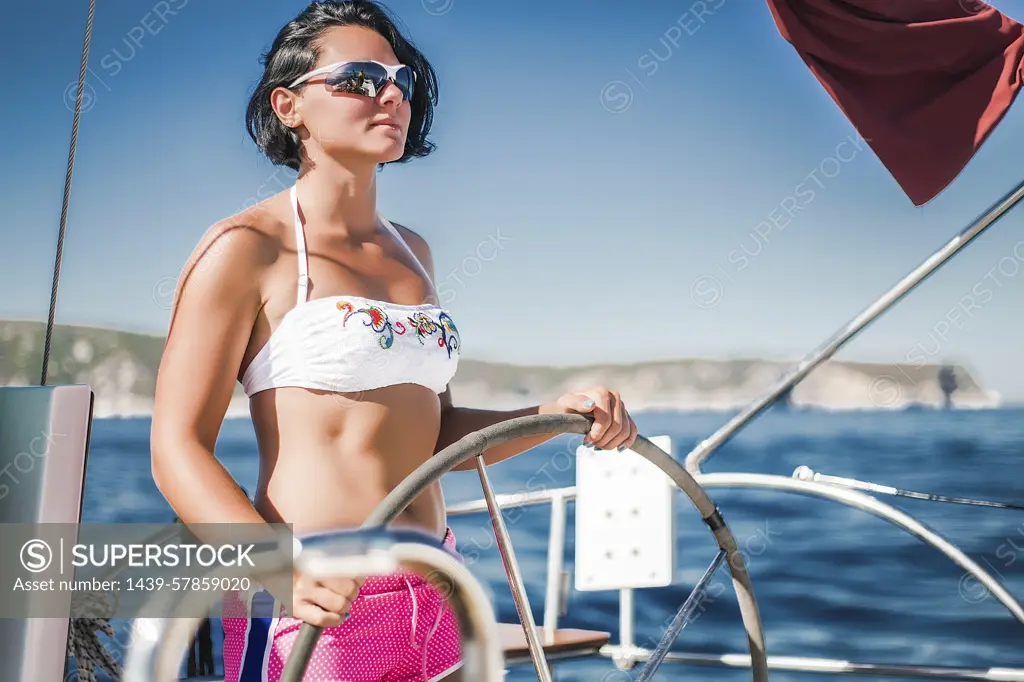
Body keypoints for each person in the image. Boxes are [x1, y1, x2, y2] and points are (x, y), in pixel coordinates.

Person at [150, 2, 638, 680]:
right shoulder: (245, 249)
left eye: (400, 80)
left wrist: (556, 416)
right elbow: (176, 447)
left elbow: (437, 437)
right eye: (357, 78)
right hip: (318, 597)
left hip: (439, 587)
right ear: (288, 104)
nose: (389, 94)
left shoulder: (415, 254)